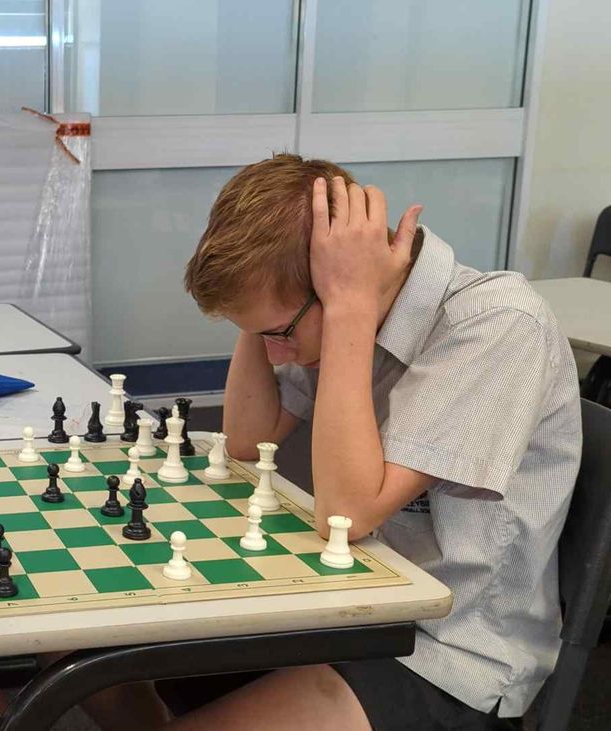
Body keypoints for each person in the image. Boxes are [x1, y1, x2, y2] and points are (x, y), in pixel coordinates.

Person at [153, 154, 581, 730]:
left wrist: (350, 307)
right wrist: (260, 318)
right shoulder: (330, 314)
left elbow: (346, 513)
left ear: (338, 282)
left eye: (279, 333)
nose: (276, 353)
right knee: (105, 661)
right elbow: (248, 443)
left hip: (448, 655)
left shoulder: (497, 323)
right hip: (347, 605)